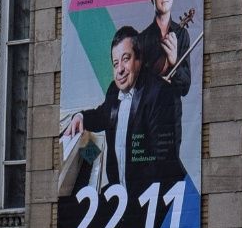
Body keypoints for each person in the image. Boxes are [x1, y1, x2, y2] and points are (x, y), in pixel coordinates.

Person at [66, 28, 186, 195]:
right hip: (123, 194)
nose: (120, 69)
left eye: (126, 59)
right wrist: (81, 117)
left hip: (155, 198)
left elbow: (161, 162)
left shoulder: (160, 93)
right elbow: (102, 115)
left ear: (139, 59)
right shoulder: (114, 91)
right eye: (115, 64)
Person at [134, 0, 195, 96]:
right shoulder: (141, 39)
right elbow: (135, 86)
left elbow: (185, 88)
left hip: (171, 113)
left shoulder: (182, 35)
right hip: (148, 114)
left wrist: (174, 61)